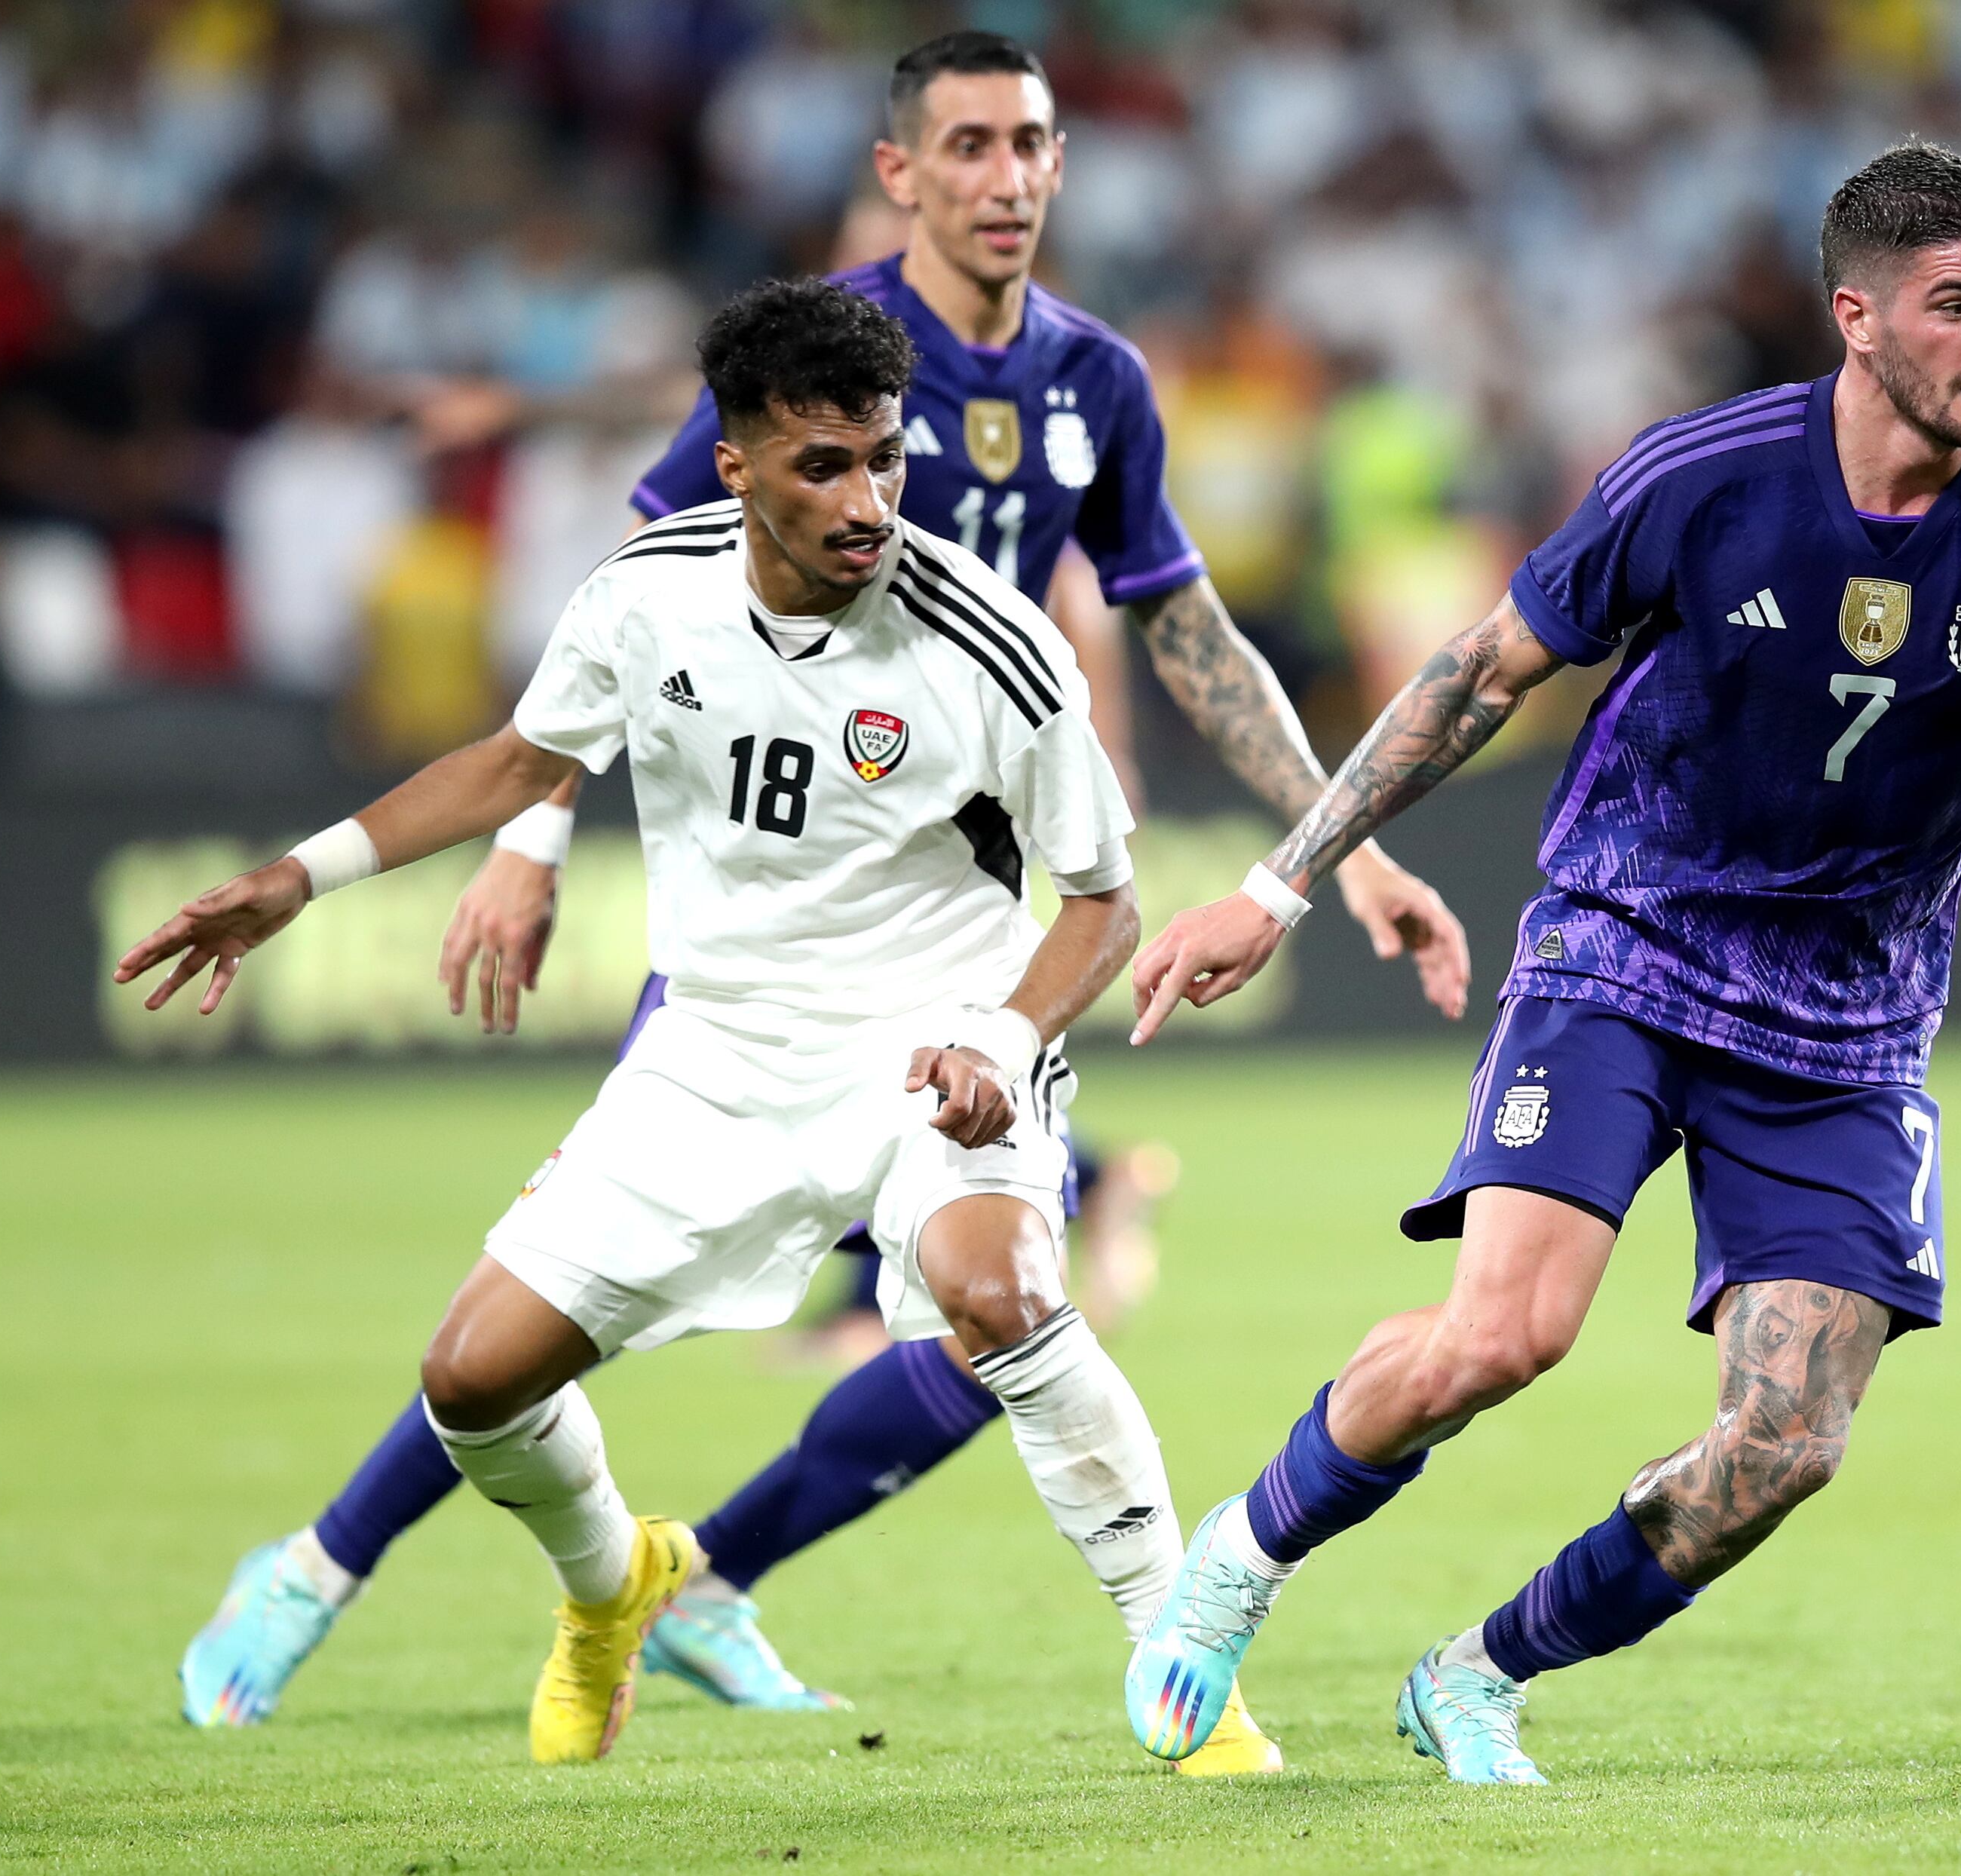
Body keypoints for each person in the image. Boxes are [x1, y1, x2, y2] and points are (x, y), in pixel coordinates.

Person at [175, 30, 1468, 1775]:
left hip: (976, 937)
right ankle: (344, 1557)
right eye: (971, 145)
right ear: (902, 173)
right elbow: (622, 615)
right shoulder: (817, 360)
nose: (1008, 176)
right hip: (757, 948)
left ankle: (792, 1589)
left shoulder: (1096, 386)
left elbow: (1184, 632)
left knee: (995, 1295)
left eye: (1034, 144)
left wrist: (1342, 843)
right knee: (512, 1337)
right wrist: (529, 840)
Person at [1117, 142, 1961, 1784]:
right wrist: (1284, 885)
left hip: (1852, 1020)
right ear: (1856, 318)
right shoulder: (1703, 477)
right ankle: (1236, 1561)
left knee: (1789, 1442)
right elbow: (1478, 670)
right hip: (1627, 940)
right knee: (1503, 1337)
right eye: (1957, 305)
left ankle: (1478, 1671)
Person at [125, 278, 1221, 1767]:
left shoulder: (991, 637)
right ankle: (620, 1585)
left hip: (930, 1039)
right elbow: (518, 761)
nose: (869, 498)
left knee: (1006, 1289)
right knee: (473, 1375)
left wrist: (1007, 1041)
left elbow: (1104, 901)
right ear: (737, 465)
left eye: (886, 458)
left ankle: (1187, 1666)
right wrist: (293, 879)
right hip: (714, 1047)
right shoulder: (647, 592)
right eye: (825, 465)